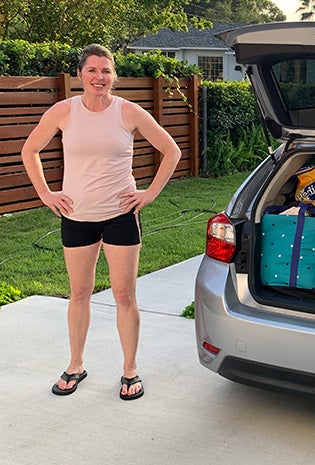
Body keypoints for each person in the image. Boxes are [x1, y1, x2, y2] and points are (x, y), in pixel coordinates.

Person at [21, 44, 181, 401]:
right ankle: (75, 364)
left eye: (106, 71)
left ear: (114, 76)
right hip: (76, 217)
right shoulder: (64, 111)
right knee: (79, 294)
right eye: (92, 70)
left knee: (124, 295)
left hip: (120, 216)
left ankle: (130, 370)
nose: (99, 77)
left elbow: (172, 150)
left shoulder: (129, 112)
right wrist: (46, 194)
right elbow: (28, 150)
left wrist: (149, 193)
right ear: (80, 75)